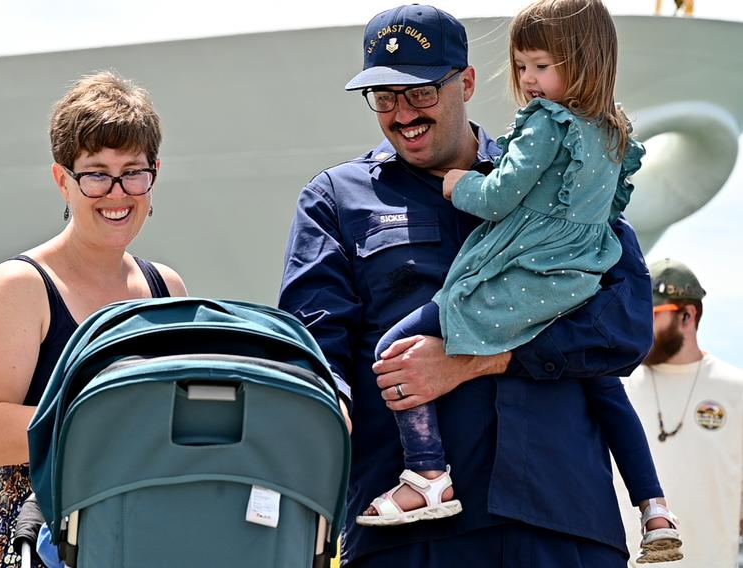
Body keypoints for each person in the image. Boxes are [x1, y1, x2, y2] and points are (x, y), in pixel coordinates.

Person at [278, 2, 655, 566]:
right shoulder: (335, 200)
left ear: (468, 83)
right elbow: (313, 361)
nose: (403, 113)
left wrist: (479, 359)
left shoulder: (561, 170)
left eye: (421, 93)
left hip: (562, 520)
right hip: (410, 539)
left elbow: (624, 328)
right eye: (384, 98)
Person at [0, 70, 187, 568]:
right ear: (63, 179)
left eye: (133, 171)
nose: (117, 191)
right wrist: (109, 419)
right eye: (96, 173)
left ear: (155, 174)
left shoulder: (167, 288)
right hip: (32, 541)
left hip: (139, 537)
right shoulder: (20, 285)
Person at [615, 259, 743, 567]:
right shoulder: (615, 387)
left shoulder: (736, 389)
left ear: (688, 315)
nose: (639, 324)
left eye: (652, 315)